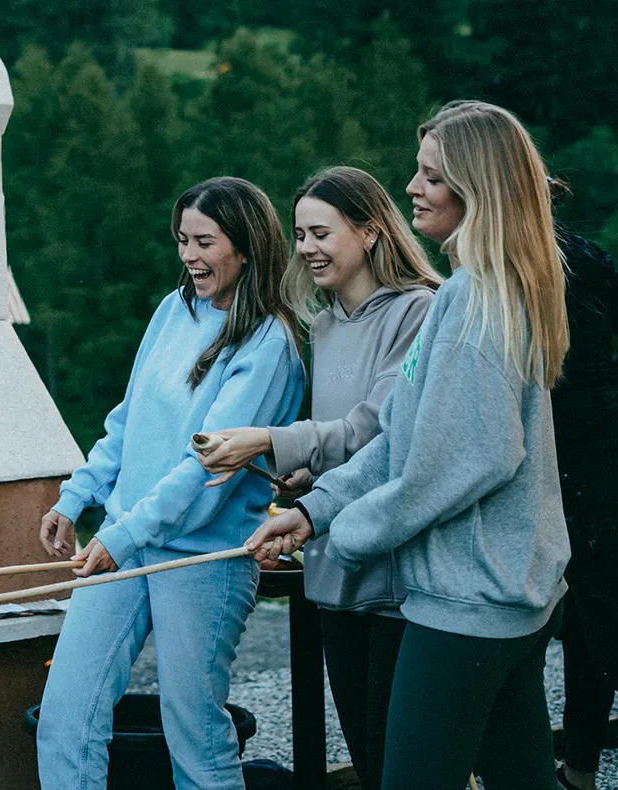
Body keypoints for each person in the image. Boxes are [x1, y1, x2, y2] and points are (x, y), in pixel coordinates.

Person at [246, 100, 571, 790]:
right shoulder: (477, 292)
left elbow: (471, 459)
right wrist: (316, 511)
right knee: (522, 779)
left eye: (432, 177)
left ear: (476, 189)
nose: (413, 190)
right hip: (501, 597)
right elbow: (404, 435)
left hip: (469, 605)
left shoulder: (476, 301)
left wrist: (353, 530)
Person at [35, 177, 306, 789]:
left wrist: (123, 534)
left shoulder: (271, 342)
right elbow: (128, 422)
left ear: (246, 246)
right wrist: (76, 496)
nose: (189, 255)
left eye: (204, 241)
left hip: (204, 559)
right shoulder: (172, 308)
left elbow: (206, 465)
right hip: (124, 542)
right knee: (64, 718)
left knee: (196, 737)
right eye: (182, 239)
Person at [195, 165, 443, 790]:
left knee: (404, 760)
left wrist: (273, 441)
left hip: (398, 574)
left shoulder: (420, 312)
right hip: (334, 566)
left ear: (370, 232)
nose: (305, 248)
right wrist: (301, 475)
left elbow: (378, 428)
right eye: (300, 233)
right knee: (364, 747)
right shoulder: (326, 322)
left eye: (320, 233)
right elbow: (336, 438)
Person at [548, 210, 618, 790]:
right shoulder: (583, 253)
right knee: (592, 614)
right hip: (583, 440)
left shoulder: (557, 260)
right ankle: (580, 763)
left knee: (593, 614)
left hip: (581, 448)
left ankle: (579, 766)